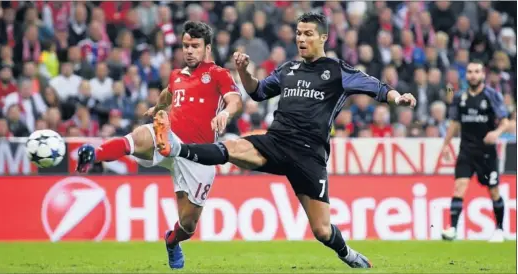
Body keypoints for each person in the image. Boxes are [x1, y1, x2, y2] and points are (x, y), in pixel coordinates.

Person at [154, 12, 416, 269]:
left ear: (323, 38)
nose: (301, 39)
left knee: (322, 231)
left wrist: (397, 98)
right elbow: (258, 92)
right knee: (231, 147)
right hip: (276, 142)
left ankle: (347, 254)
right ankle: (178, 147)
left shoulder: (337, 70)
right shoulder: (289, 69)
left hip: (309, 155)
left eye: (308, 34)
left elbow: (376, 87)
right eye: (299, 33)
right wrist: (244, 72)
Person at [75, 21, 242, 269]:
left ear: (207, 48)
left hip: (197, 154)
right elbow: (168, 94)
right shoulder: (177, 75)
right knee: (140, 137)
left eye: (195, 46)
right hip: (168, 136)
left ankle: (172, 241)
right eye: (186, 46)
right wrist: (159, 108)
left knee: (188, 225)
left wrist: (226, 114)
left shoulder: (218, 74)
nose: (188, 51)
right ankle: (93, 153)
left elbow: (235, 100)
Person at [440, 60, 511, 242]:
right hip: (466, 151)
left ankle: (500, 230)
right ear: (467, 75)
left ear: (483, 74)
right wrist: (445, 145)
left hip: (487, 153)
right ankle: (453, 229)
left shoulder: (492, 96)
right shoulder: (460, 97)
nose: (473, 75)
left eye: (477, 71)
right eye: (470, 71)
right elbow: (455, 123)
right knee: (459, 187)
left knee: (493, 191)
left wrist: (496, 133)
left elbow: (506, 121)